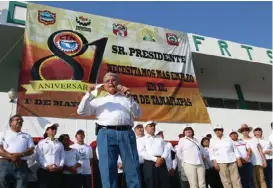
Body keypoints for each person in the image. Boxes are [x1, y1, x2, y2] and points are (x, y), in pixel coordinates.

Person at [77, 72, 141, 188]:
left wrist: (129, 96)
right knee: (107, 167)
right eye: (107, 81)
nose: (110, 82)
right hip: (106, 134)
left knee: (132, 167)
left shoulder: (127, 98)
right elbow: (81, 111)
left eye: (113, 80)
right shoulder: (98, 100)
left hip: (126, 133)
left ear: (118, 83)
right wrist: (89, 94)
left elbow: (137, 113)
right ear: (104, 85)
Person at [0, 114, 35, 188]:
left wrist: (20, 155)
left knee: (21, 185)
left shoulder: (27, 136)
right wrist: (11, 156)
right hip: (5, 164)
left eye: (21, 120)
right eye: (17, 119)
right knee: (3, 184)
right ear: (10, 123)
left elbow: (31, 149)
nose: (20, 121)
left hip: (21, 165)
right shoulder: (3, 134)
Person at [140, 121, 171, 188]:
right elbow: (142, 152)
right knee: (151, 184)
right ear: (146, 128)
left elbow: (166, 149)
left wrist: (162, 158)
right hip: (149, 163)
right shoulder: (142, 139)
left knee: (164, 183)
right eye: (150, 126)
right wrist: (156, 159)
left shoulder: (160, 138)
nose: (153, 127)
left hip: (162, 162)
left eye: (154, 126)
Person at [36, 123, 65, 188]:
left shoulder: (60, 144)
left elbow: (62, 156)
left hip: (57, 172)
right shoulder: (41, 143)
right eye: (52, 128)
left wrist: (60, 166)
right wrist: (46, 166)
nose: (54, 130)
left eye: (55, 128)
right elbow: (39, 156)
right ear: (46, 131)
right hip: (44, 172)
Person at [239, 124, 267, 188]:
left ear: (249, 131)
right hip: (249, 163)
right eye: (243, 130)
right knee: (253, 181)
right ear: (241, 132)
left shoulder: (254, 139)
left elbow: (260, 150)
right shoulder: (240, 141)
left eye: (246, 130)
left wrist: (264, 161)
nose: (245, 131)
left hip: (258, 162)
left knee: (262, 179)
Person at [133, 123, 146, 188]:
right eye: (138, 128)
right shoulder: (132, 139)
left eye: (141, 127)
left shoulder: (147, 138)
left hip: (146, 164)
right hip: (135, 165)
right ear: (134, 130)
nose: (140, 129)